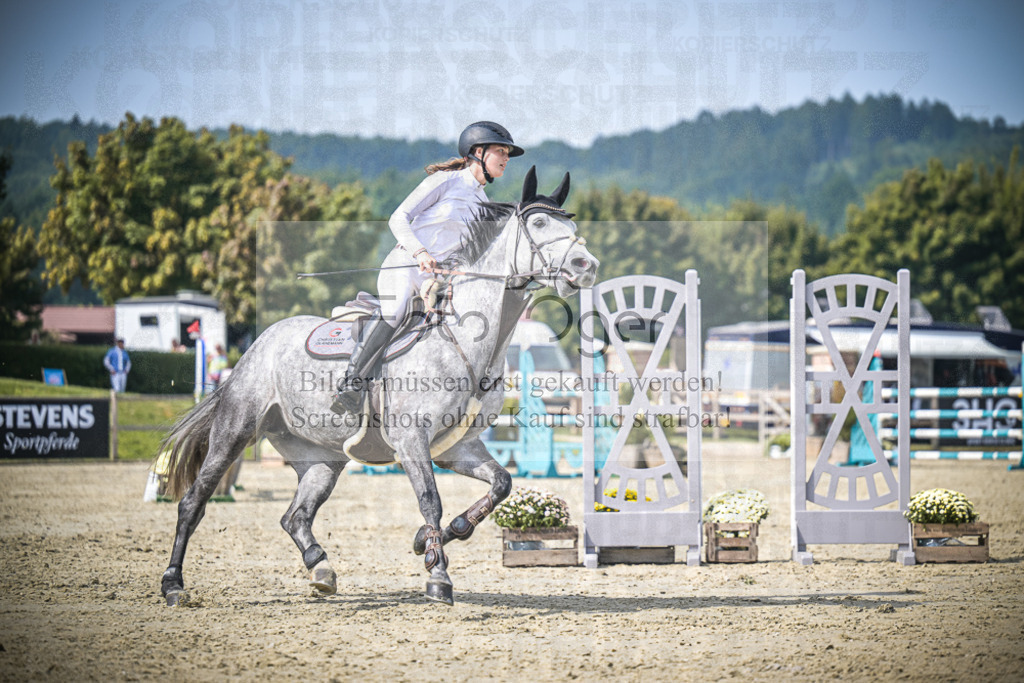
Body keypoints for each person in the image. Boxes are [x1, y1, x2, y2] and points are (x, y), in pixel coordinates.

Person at [331, 121, 524, 414]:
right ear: (478, 152)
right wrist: (419, 251)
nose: (506, 158)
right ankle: (351, 384)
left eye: (507, 153)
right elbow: (398, 217)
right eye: (501, 151)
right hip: (405, 264)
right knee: (395, 311)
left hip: (436, 280)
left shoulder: (484, 204)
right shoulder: (446, 181)